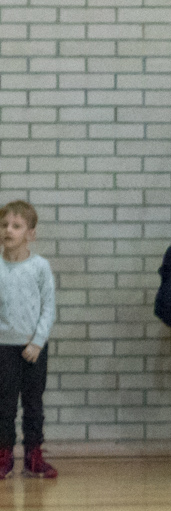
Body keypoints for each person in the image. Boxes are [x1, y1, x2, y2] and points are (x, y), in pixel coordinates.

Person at [0, 200, 57, 479]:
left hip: (33, 347)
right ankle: (4, 455)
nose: (8, 230)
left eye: (16, 226)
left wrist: (37, 341)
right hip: (3, 348)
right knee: (4, 403)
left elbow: (49, 307)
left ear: (30, 234)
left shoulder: (39, 267)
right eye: (4, 225)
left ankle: (34, 456)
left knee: (33, 403)